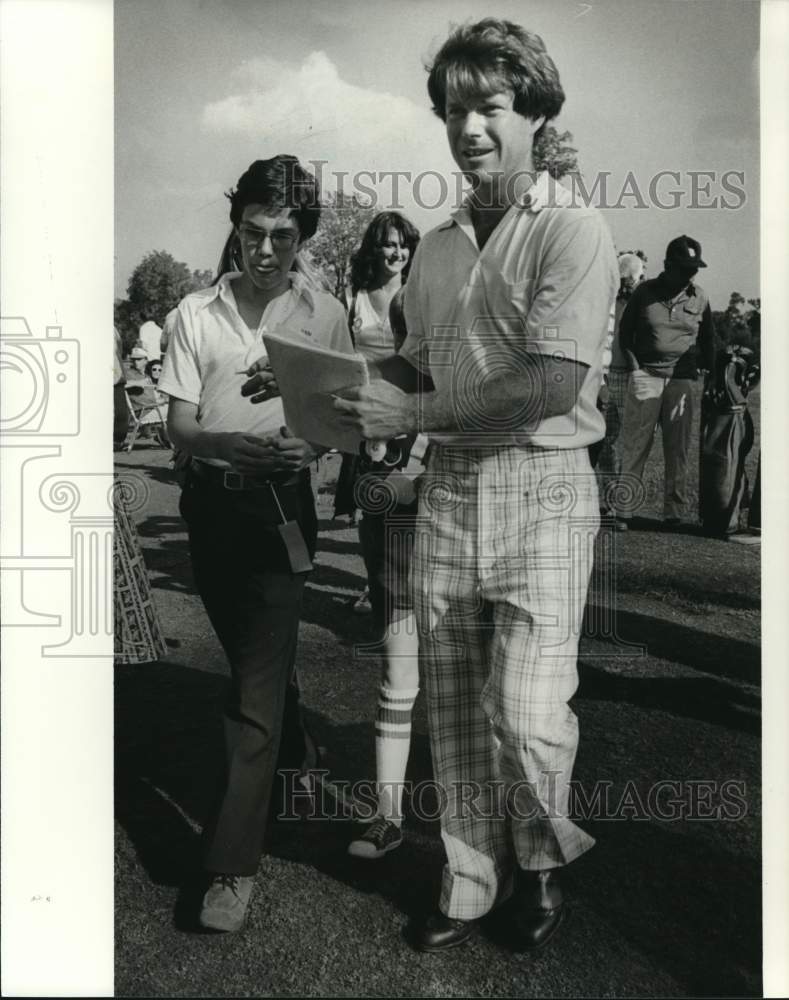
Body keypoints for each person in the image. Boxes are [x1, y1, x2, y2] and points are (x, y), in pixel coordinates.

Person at [335, 18, 618, 953]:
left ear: (534, 112)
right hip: (452, 488)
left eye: (490, 107)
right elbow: (420, 369)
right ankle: (468, 880)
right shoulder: (436, 245)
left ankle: (537, 864)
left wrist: (406, 419)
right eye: (455, 110)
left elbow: (551, 383)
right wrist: (339, 388)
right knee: (451, 705)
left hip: (543, 483)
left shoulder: (573, 227)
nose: (470, 129)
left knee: (529, 711)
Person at [158, 154, 353, 934]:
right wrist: (220, 448)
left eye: (281, 235)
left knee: (250, 692)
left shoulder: (324, 313)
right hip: (211, 511)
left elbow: (340, 416)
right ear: (234, 226)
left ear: (303, 236)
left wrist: (314, 445)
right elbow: (177, 426)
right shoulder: (192, 314)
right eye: (250, 232)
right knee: (253, 664)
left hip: (284, 514)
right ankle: (296, 742)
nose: (264, 249)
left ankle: (229, 866)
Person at [332, 212, 425, 859]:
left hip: (444, 483)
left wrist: (418, 456)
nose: (394, 253)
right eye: (386, 244)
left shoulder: (433, 304)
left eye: (403, 245)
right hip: (380, 474)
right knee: (397, 639)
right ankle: (387, 812)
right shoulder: (351, 298)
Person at [616, 235, 717, 527]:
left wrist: (709, 376)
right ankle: (624, 510)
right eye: (684, 268)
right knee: (636, 445)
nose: (690, 274)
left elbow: (709, 340)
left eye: (693, 269)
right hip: (646, 375)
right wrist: (636, 370)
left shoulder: (700, 297)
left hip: (682, 380)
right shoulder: (644, 292)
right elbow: (626, 335)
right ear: (667, 265)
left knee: (678, 449)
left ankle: (673, 514)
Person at [590, 251, 646, 527]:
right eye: (632, 278)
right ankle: (610, 502)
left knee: (625, 440)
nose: (634, 283)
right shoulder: (603, 298)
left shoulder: (640, 302)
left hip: (628, 375)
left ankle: (619, 504)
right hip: (604, 375)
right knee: (605, 440)